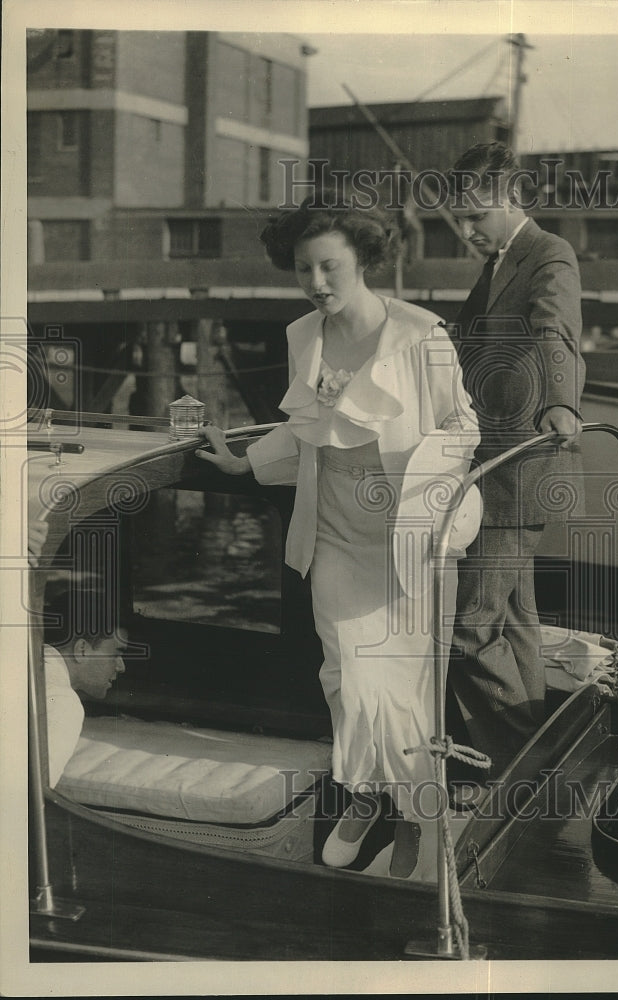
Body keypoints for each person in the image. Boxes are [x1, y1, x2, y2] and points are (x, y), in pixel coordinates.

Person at [196, 193, 480, 878]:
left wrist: (432, 502)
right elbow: (303, 432)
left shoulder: (420, 336)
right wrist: (245, 462)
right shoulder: (303, 337)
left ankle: (413, 815)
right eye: (303, 270)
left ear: (363, 262)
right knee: (347, 678)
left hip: (408, 536)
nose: (316, 284)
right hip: (335, 534)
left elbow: (461, 427)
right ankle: (365, 797)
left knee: (406, 685)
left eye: (329, 267)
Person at [444, 141, 586, 781]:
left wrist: (562, 404)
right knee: (515, 620)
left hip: (516, 470)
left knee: (467, 629)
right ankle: (539, 761)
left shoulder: (547, 253)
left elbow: (555, 329)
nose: (467, 230)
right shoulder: (497, 264)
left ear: (507, 196)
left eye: (475, 216)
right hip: (492, 465)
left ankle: (520, 764)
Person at [42, 576, 128, 787]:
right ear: (82, 649)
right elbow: (29, 799)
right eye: (116, 654)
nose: (121, 666)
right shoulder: (62, 703)